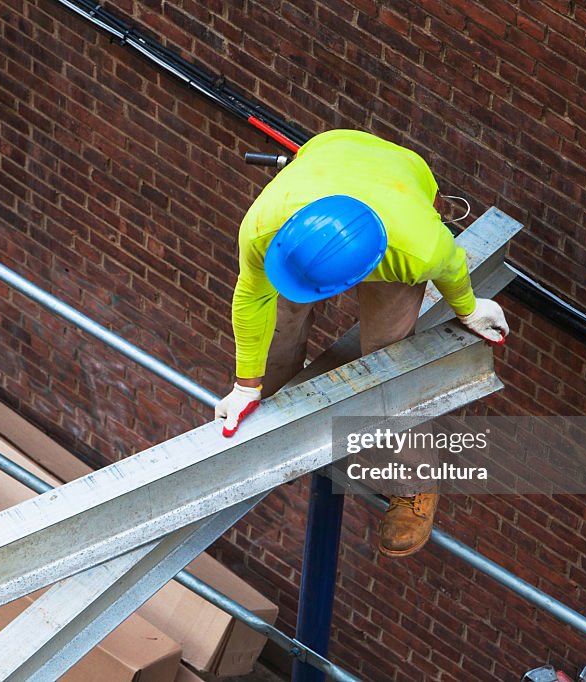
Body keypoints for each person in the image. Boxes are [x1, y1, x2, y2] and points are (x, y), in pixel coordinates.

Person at [215, 129, 509, 557]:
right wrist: (246, 385)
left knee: (388, 360)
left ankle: (414, 484)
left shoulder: (417, 248)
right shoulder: (265, 229)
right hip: (330, 155)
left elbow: (452, 267)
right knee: (278, 324)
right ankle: (269, 428)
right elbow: (249, 300)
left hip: (399, 185)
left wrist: (468, 308)